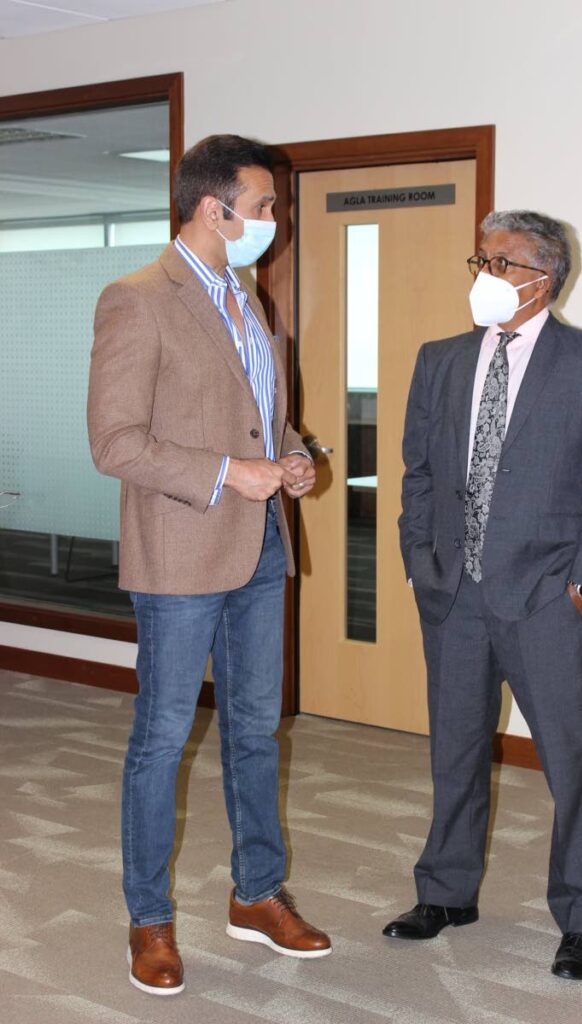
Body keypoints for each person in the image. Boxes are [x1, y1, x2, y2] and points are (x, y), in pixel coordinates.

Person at [88, 134, 331, 997]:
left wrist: (294, 459)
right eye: (264, 208)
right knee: (161, 741)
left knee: (255, 732)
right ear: (211, 208)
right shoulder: (138, 299)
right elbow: (114, 444)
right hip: (180, 553)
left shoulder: (250, 298)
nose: (274, 222)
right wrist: (233, 474)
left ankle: (256, 894)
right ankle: (148, 918)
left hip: (262, 548)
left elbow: (264, 421)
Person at [383, 210, 582, 981]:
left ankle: (581, 916)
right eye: (481, 260)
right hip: (452, 595)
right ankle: (446, 891)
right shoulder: (440, 359)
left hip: (543, 599)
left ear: (543, 277)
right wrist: (417, 560)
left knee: (569, 763)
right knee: (454, 753)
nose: (485, 276)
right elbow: (417, 474)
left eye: (502, 262)